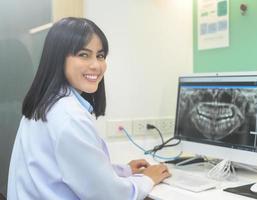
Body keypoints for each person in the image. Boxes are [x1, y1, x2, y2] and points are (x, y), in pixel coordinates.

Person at [7, 17, 170, 200]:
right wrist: (147, 179)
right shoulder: (69, 117)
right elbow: (110, 196)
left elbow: (74, 170)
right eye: (84, 54)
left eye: (100, 56)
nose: (96, 65)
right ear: (58, 58)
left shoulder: (45, 104)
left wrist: (123, 170)